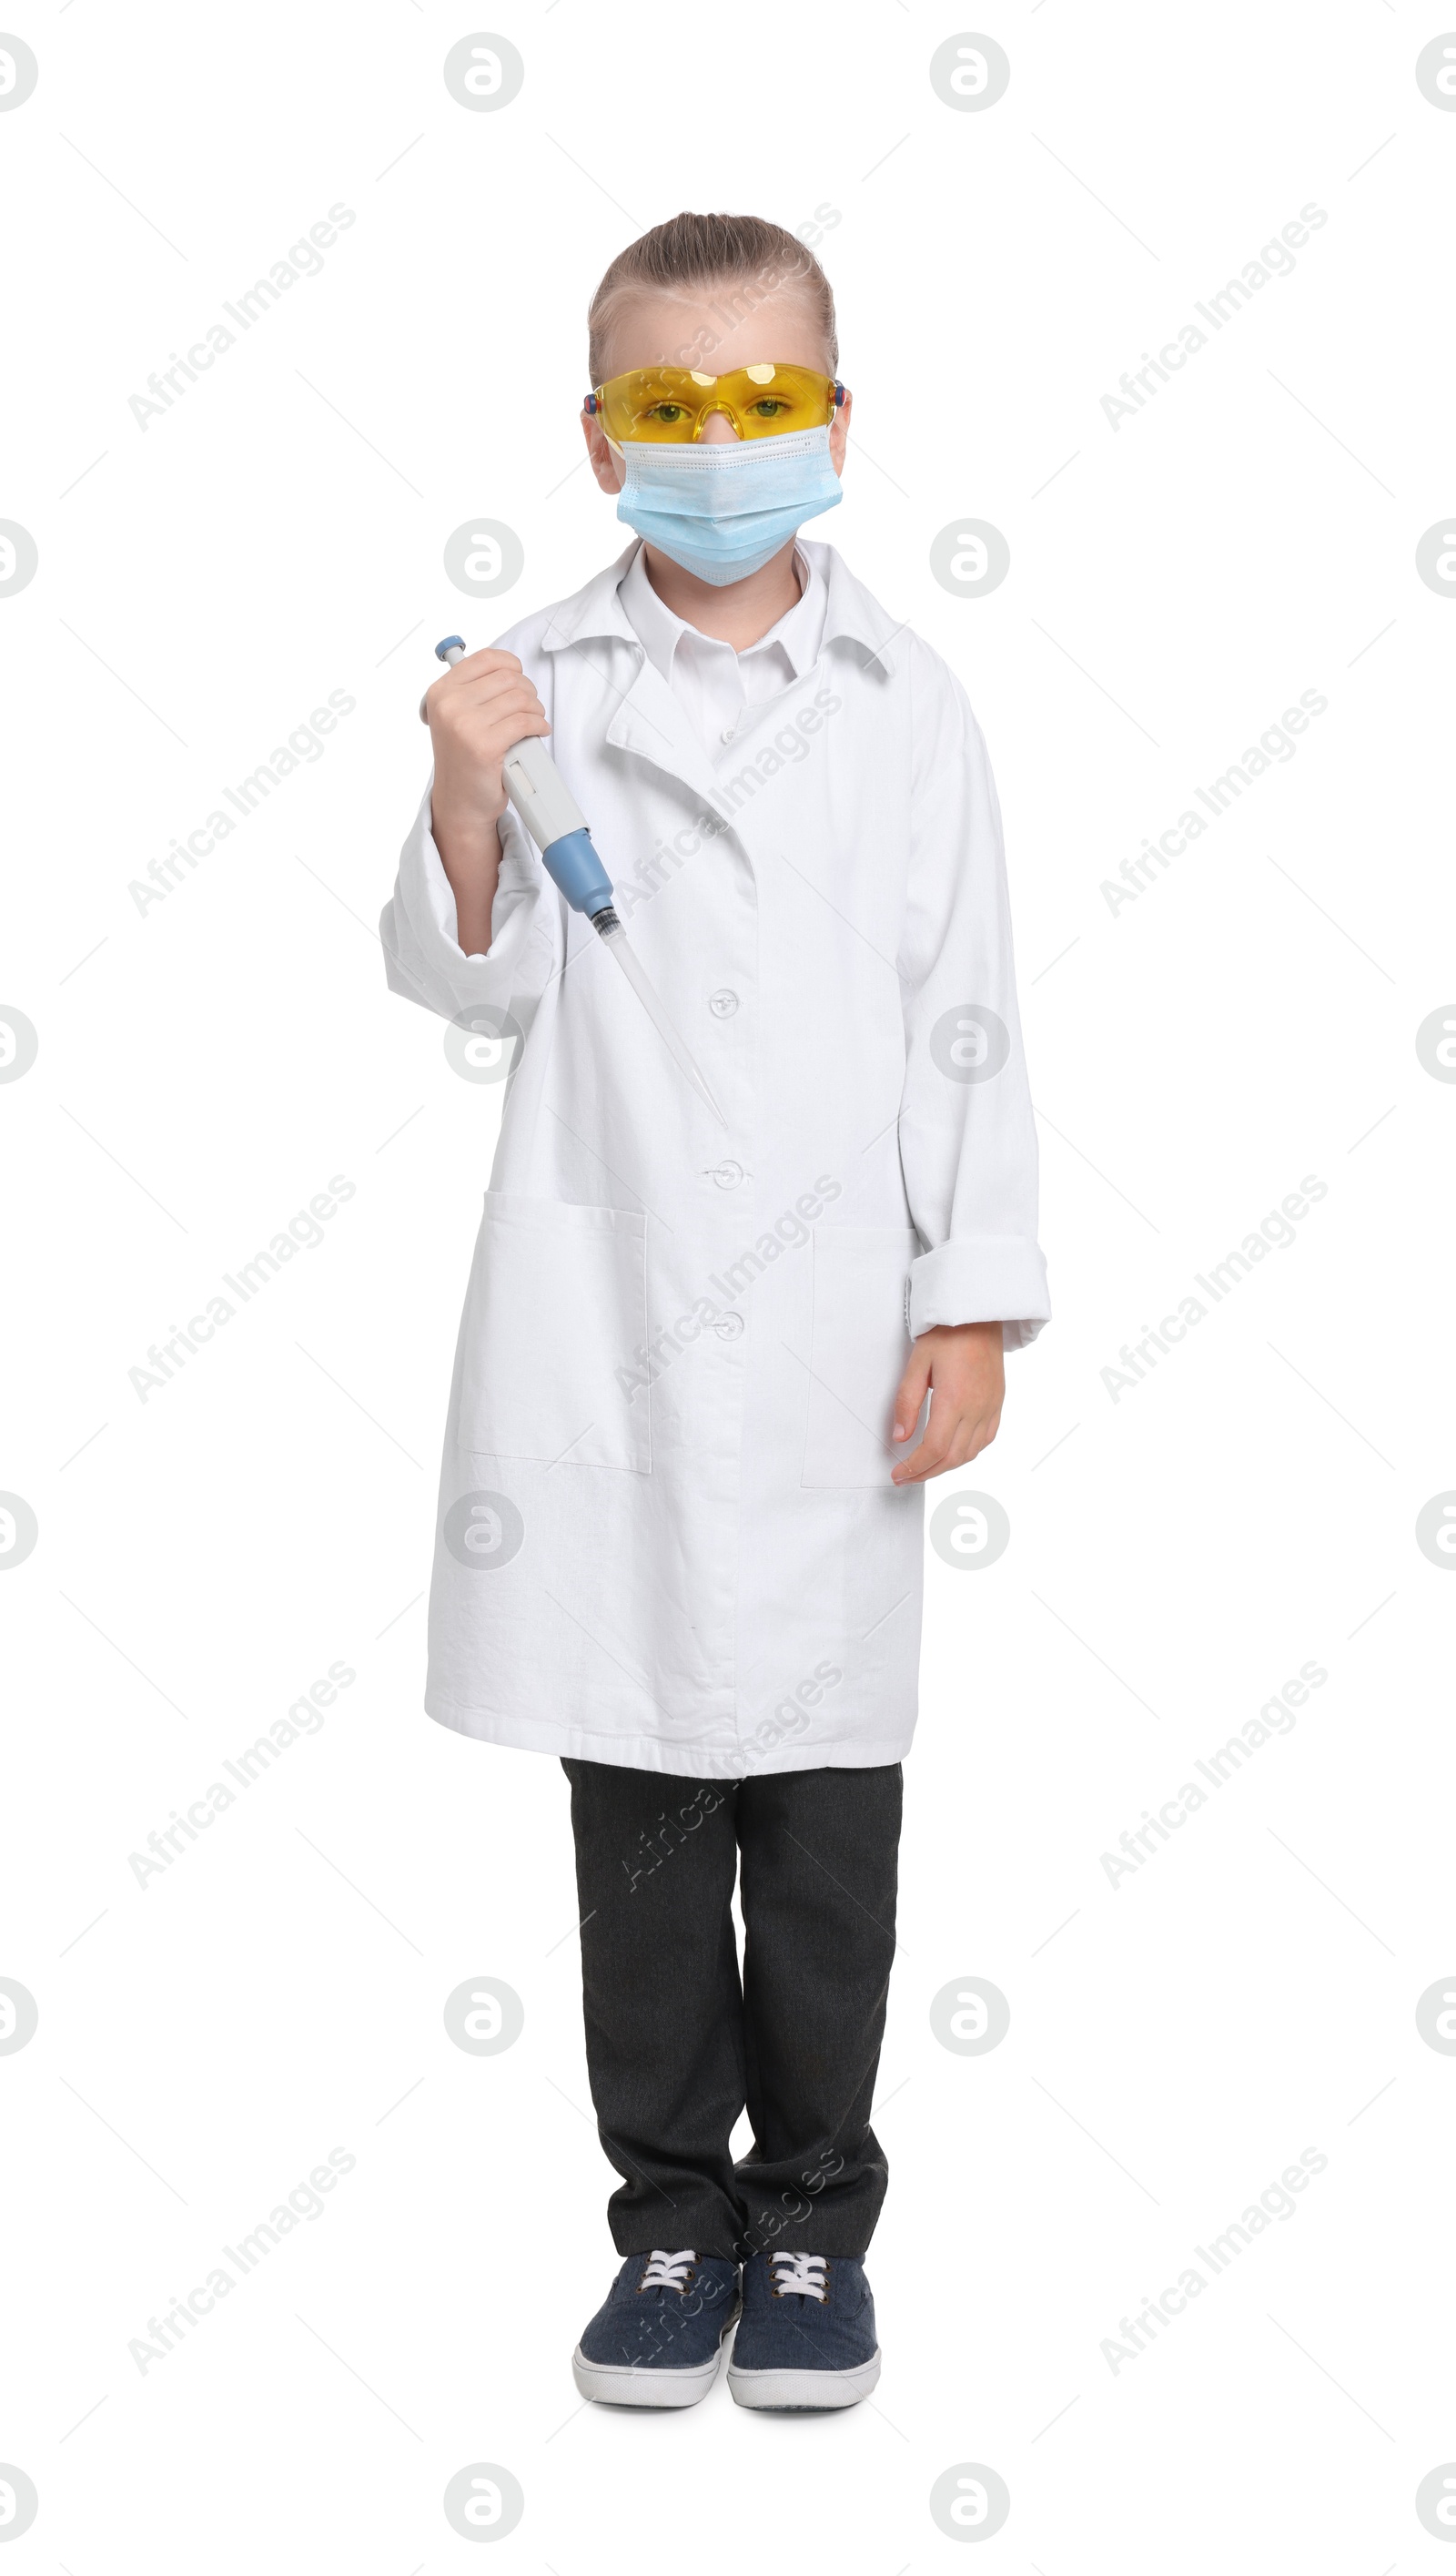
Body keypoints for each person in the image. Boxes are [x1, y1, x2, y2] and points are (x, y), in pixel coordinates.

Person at [380, 210, 1049, 2411]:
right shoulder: (543, 687)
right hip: (614, 1334)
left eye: (763, 402)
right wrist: (469, 783)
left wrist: (966, 1303)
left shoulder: (904, 699)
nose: (722, 444)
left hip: (839, 1337)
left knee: (825, 1826)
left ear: (838, 421)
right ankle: (669, 2223)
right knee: (645, 1815)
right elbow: (468, 980)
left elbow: (963, 1019)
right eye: (671, 409)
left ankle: (815, 2225)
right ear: (599, 441)